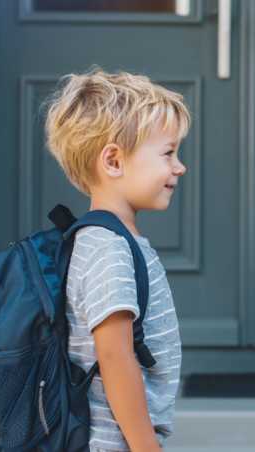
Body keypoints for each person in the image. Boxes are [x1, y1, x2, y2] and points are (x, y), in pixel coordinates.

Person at [44, 68, 187, 452]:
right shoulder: (108, 248)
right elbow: (114, 355)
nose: (179, 166)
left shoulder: (110, 241)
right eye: (168, 153)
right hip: (109, 442)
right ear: (113, 161)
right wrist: (145, 447)